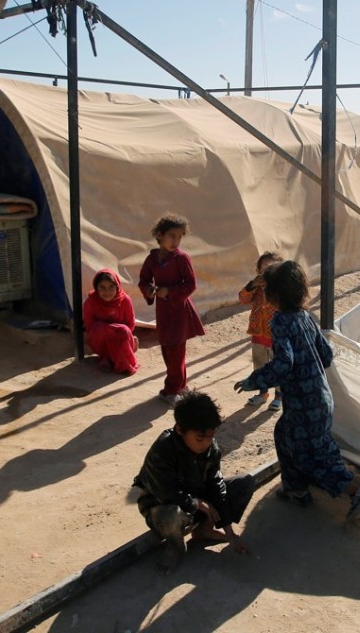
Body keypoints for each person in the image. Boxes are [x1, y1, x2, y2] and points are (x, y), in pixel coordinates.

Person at [233, 260, 360, 521]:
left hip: (303, 405)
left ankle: (357, 487)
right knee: (287, 436)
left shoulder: (279, 322)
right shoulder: (305, 317)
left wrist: (254, 380)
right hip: (321, 398)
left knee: (310, 456)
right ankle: (296, 489)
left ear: (275, 294)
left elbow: (283, 363)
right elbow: (326, 353)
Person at [133, 391, 253, 573]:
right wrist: (196, 503)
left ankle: (203, 531)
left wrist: (230, 533)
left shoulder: (211, 449)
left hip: (196, 500)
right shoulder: (163, 449)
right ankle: (175, 545)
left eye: (210, 436)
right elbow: (166, 492)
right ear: (180, 429)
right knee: (170, 515)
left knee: (244, 482)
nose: (206, 443)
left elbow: (216, 485)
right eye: (199, 438)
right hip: (162, 506)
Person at [139, 213, 205, 406]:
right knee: (168, 347)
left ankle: (171, 389)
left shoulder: (182, 259)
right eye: (172, 236)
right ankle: (181, 386)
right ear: (160, 235)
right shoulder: (152, 259)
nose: (176, 241)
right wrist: (149, 291)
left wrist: (169, 292)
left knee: (176, 349)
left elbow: (191, 284)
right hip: (163, 310)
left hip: (179, 310)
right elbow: (143, 280)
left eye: (179, 237)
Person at [238, 251, 284, 410]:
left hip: (276, 334)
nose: (267, 268)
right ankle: (262, 393)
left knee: (277, 365)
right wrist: (252, 285)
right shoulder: (255, 286)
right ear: (259, 269)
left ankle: (279, 396)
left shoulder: (281, 286)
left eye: (272, 265)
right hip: (258, 332)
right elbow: (243, 299)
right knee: (259, 364)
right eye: (264, 265)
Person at [82, 268, 139, 375]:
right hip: (100, 342)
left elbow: (131, 324)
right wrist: (109, 331)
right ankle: (107, 356)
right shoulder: (90, 302)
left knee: (123, 330)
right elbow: (90, 328)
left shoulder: (125, 300)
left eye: (111, 287)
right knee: (99, 328)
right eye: (102, 288)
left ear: (117, 287)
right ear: (96, 288)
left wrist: (116, 332)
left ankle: (113, 358)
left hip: (120, 340)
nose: (107, 292)